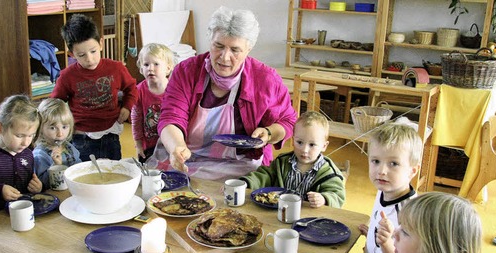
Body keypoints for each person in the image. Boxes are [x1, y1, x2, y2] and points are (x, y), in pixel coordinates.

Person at [149, 6, 297, 180]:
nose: (225, 57)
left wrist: (270, 133)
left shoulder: (266, 80)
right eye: (218, 46)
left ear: (248, 49)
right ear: (210, 40)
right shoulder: (186, 71)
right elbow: (171, 118)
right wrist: (177, 148)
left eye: (235, 50)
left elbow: (288, 121)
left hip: (240, 165)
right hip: (187, 160)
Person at [315, 122, 423, 253]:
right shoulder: (384, 190)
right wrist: (372, 235)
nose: (382, 171)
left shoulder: (410, 215)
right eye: (376, 161)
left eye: (394, 164)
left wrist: (386, 244)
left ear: (413, 171)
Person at [50, 14, 137, 161]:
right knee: (83, 176)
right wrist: (60, 127)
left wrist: (127, 107)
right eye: (81, 55)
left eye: (93, 51)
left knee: (113, 174)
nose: (89, 59)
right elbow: (54, 103)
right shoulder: (67, 76)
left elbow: (132, 88)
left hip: (111, 134)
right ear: (72, 54)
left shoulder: (116, 68)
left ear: (101, 43)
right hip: (81, 137)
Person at [241, 111, 345, 208]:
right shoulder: (282, 162)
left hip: (310, 220)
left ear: (324, 146)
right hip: (280, 214)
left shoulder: (329, 172)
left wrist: (324, 199)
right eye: (299, 142)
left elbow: (337, 195)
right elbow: (264, 175)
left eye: (312, 145)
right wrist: (246, 182)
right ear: (293, 140)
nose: (304, 150)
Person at [130, 43, 175, 163]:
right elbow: (136, 120)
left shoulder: (175, 89)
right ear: (141, 69)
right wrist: (138, 144)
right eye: (146, 64)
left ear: (168, 68)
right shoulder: (138, 91)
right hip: (149, 146)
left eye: (156, 64)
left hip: (171, 143)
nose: (150, 68)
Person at [33, 98, 81, 189]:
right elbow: (42, 185)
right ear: (40, 128)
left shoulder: (69, 147)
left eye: (64, 127)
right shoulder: (40, 155)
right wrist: (56, 166)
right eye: (52, 128)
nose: (60, 133)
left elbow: (78, 168)